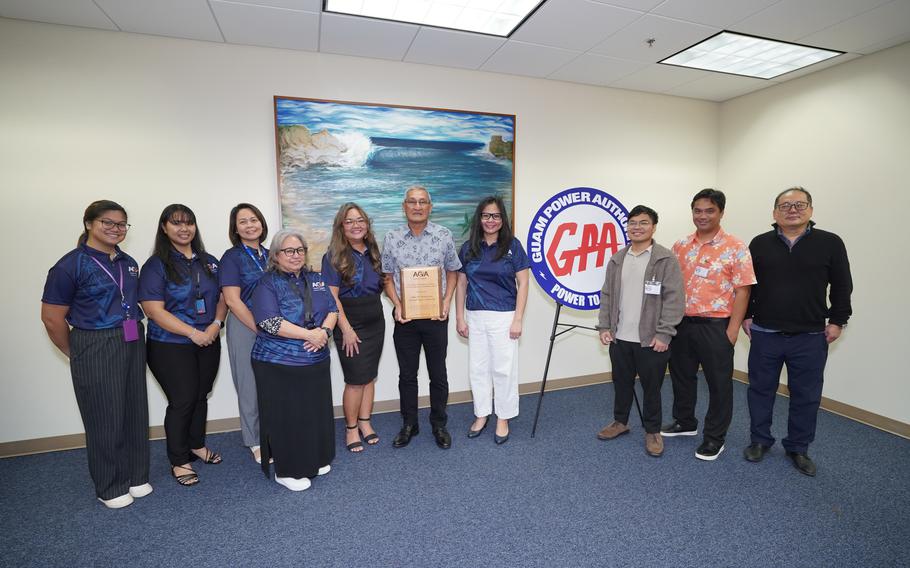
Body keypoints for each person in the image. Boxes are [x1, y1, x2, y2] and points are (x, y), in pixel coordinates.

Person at [41, 200, 151, 509]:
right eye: (108, 223)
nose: (116, 229)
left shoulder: (128, 262)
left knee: (134, 409)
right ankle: (110, 485)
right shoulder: (70, 265)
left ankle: (136, 475)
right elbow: (51, 318)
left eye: (121, 224)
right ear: (89, 223)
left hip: (131, 337)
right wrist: (75, 350)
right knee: (105, 416)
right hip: (94, 341)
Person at [742, 187, 852, 476]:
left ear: (811, 210)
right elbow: (748, 285)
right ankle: (759, 440)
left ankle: (798, 447)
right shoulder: (760, 243)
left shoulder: (830, 243)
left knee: (806, 395)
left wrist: (838, 321)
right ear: (775, 212)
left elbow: (842, 285)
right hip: (765, 332)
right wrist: (747, 316)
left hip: (811, 336)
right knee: (760, 390)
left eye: (799, 204)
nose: (793, 209)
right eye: (785, 205)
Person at [664, 189, 756, 461]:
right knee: (681, 375)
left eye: (709, 211)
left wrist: (732, 329)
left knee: (718, 384)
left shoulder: (736, 247)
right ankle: (685, 421)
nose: (702, 216)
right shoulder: (680, 245)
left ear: (721, 213)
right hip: (682, 324)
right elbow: (671, 285)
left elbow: (743, 291)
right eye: (698, 210)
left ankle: (715, 438)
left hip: (716, 326)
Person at [139, 204, 227, 486]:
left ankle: (196, 444)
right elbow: (154, 309)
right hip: (170, 344)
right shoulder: (157, 265)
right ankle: (179, 459)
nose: (184, 228)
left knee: (201, 394)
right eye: (176, 223)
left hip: (209, 338)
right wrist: (192, 333)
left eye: (189, 222)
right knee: (182, 400)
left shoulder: (209, 260)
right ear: (164, 227)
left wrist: (215, 325)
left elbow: (224, 297)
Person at [251, 230, 338, 491]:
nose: (295, 255)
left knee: (314, 413)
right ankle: (287, 471)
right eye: (289, 251)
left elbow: (333, 310)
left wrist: (323, 333)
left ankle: (317, 458)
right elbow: (269, 321)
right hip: (280, 363)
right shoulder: (267, 283)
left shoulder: (316, 278)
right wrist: (310, 334)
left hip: (316, 358)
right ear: (276, 255)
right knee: (289, 418)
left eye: (299, 250)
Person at [595, 205, 685, 457]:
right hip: (619, 337)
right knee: (621, 383)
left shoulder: (665, 259)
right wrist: (604, 326)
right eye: (632, 222)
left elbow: (675, 299)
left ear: (653, 227)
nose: (637, 227)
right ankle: (620, 422)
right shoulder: (618, 259)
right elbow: (607, 295)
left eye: (643, 222)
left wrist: (664, 333)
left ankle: (653, 430)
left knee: (652, 387)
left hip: (651, 339)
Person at [382, 186, 462, 449]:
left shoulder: (443, 235)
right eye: (412, 202)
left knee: (438, 374)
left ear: (430, 206)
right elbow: (387, 277)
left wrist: (447, 300)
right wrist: (396, 304)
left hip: (436, 317)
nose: (417, 206)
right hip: (405, 318)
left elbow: (452, 271)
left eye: (423, 202)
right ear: (404, 206)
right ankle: (409, 424)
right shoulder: (392, 238)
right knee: (407, 375)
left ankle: (439, 424)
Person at [455, 196, 529, 445]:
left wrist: (518, 319)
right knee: (478, 369)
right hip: (475, 315)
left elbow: (524, 282)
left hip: (504, 316)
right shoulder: (468, 247)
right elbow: (461, 283)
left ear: (502, 219)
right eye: (486, 215)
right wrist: (459, 317)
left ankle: (503, 417)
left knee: (503, 370)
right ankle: (481, 414)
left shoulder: (513, 246)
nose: (491, 220)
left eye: (496, 216)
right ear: (480, 218)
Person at [322, 203, 384, 453]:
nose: (356, 225)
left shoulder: (374, 252)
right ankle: (350, 429)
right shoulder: (333, 256)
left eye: (360, 220)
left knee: (369, 376)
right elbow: (332, 297)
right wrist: (345, 328)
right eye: (349, 221)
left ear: (367, 224)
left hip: (374, 319)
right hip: (349, 321)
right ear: (341, 226)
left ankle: (365, 422)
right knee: (355, 380)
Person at [220, 203, 269, 464]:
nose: (250, 225)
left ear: (262, 223)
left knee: (272, 384)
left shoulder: (272, 254)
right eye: (243, 222)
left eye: (254, 220)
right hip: (245, 326)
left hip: (273, 326)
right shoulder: (232, 257)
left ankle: (272, 432)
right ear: (235, 228)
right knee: (249, 385)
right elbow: (232, 300)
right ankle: (255, 441)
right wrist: (259, 328)